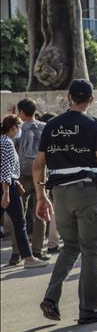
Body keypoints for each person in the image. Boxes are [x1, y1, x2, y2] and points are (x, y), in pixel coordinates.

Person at [34, 79, 97, 324]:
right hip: (86, 193)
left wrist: (41, 196)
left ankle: (51, 298)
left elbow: (38, 165)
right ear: (92, 99)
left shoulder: (52, 125)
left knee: (70, 247)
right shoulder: (95, 126)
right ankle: (88, 308)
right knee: (91, 250)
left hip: (60, 195)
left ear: (69, 97)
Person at [1, 114, 49, 268]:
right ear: (13, 128)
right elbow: (5, 169)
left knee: (19, 222)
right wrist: (7, 192)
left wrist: (16, 184)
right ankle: (28, 258)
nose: (19, 131)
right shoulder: (6, 143)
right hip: (6, 187)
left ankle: (27, 257)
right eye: (18, 128)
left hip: (9, 184)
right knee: (20, 222)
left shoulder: (4, 141)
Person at [14, 98, 56, 259]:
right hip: (40, 174)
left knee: (19, 215)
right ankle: (37, 250)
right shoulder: (45, 127)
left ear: (21, 113)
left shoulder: (16, 129)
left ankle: (17, 252)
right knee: (41, 212)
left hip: (21, 175)